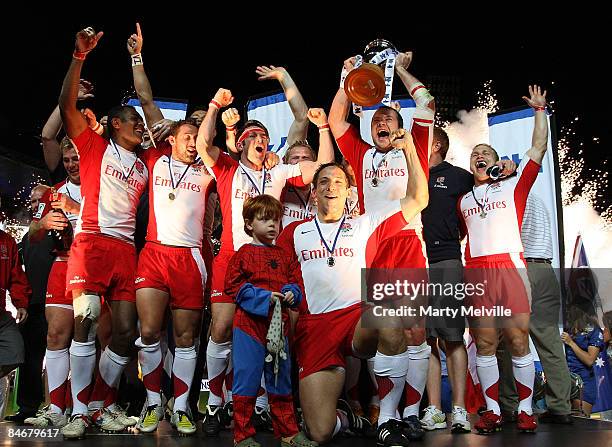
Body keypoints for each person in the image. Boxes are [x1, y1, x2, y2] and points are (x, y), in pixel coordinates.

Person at [276, 127, 429, 447]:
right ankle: (348, 417)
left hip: (356, 318)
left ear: (348, 191)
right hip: (315, 328)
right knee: (319, 432)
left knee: (387, 316)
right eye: (324, 182)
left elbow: (418, 198)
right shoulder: (294, 232)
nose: (331, 187)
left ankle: (388, 419)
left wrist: (411, 148)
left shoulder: (365, 224)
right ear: (313, 192)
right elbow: (281, 283)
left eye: (339, 182)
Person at [197, 88, 333, 436]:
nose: (261, 140)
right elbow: (201, 146)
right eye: (253, 136)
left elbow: (321, 168)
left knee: (269, 338)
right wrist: (214, 107)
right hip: (232, 258)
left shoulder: (278, 172)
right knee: (222, 330)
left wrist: (324, 130)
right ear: (240, 144)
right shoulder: (227, 168)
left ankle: (259, 407)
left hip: (269, 263)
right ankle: (215, 402)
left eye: (265, 137)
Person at [329, 50, 433, 440]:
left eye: (390, 116)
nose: (383, 120)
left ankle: (408, 413)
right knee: (379, 328)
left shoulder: (416, 143)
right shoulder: (361, 152)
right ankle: (384, 410)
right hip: (370, 244)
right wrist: (347, 76)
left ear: (401, 124)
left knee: (414, 332)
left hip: (406, 242)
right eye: (377, 118)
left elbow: (427, 103)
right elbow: (338, 119)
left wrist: (404, 70)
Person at [123, 24, 216, 435]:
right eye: (188, 136)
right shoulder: (158, 156)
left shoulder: (211, 170)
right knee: (147, 330)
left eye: (198, 137)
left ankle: (181, 407)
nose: (193, 142)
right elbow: (144, 98)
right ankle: (152, 403)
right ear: (174, 137)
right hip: (155, 252)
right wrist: (137, 56)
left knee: (184, 336)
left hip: (191, 258)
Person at [58, 26, 149, 439]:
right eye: (134, 123)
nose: (141, 129)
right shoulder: (94, 148)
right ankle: (78, 412)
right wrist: (79, 57)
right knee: (88, 320)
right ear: (115, 124)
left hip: (125, 250)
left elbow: (149, 102)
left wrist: (138, 59)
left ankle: (99, 405)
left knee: (127, 330)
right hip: (92, 242)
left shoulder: (146, 165)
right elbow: (65, 104)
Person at [458, 85, 549, 434]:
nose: (479, 155)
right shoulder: (463, 199)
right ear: (471, 165)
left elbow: (538, 147)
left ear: (496, 162)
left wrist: (539, 112)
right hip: (477, 272)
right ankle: (492, 410)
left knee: (517, 340)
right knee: (484, 343)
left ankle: (526, 410)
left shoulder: (514, 185)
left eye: (486, 152)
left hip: (509, 266)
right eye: (474, 154)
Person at [420, 127, 516, 433]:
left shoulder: (459, 176)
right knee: (425, 340)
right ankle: (434, 409)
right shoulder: (410, 171)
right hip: (412, 262)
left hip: (446, 260)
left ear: (434, 144)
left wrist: (507, 169)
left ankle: (459, 409)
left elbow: (488, 186)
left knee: (451, 336)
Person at [224, 195, 316, 447]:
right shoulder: (244, 253)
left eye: (276, 220)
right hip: (249, 326)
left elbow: (296, 283)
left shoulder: (284, 255)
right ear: (250, 224)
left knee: (281, 379)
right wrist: (263, 297)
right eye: (265, 220)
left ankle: (287, 431)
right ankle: (242, 434)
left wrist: (291, 293)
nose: (273, 225)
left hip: (279, 326)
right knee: (247, 378)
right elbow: (232, 286)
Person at [498, 193, 573, 424]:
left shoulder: (509, 194)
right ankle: (561, 407)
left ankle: (510, 405)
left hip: (520, 269)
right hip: (545, 268)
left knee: (504, 341)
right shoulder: (538, 198)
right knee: (549, 341)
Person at [23, 138, 82, 428]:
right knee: (55, 337)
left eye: (76, 158)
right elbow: (33, 234)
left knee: (92, 339)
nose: (71, 165)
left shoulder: (102, 182)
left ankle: (90, 408)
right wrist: (42, 223)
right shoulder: (54, 192)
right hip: (63, 264)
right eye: (67, 159)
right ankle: (56, 409)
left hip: (96, 265)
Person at [3, 185, 52, 424]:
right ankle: (28, 407)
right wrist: (21, 301)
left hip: (58, 303)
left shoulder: (60, 230)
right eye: (31, 202)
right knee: (30, 358)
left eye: (38, 201)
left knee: (59, 356)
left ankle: (61, 408)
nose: (34, 206)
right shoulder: (27, 236)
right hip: (32, 305)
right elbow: (14, 272)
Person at [0, 198, 30, 381]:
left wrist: (21, 303)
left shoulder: (7, 241)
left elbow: (16, 276)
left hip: (1, 315)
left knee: (16, 350)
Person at [562, 305, 605, 417]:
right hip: (565, 381)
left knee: (580, 422)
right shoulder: (567, 328)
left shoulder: (594, 331)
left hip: (583, 382)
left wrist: (571, 343)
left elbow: (590, 360)